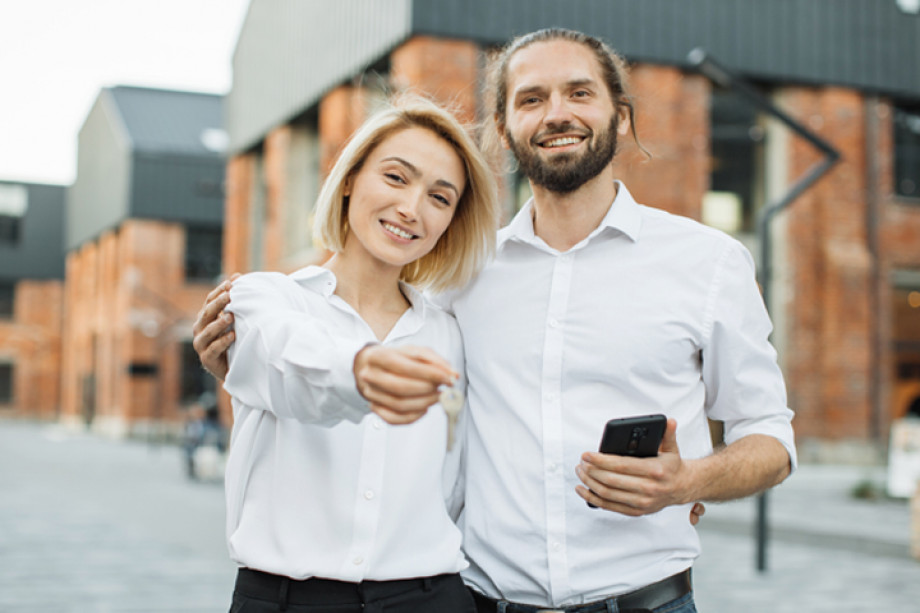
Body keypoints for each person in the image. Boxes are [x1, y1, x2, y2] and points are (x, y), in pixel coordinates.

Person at [195, 28, 795, 613]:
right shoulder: (463, 285)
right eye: (532, 99)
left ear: (624, 117)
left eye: (580, 93)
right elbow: (294, 358)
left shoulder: (708, 262)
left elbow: (769, 434)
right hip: (482, 598)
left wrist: (688, 482)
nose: (557, 113)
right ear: (506, 132)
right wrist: (308, 368)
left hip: (646, 597)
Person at [215, 93, 499, 613]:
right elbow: (288, 361)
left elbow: (460, 476)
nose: (411, 209)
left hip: (430, 596)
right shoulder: (264, 298)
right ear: (349, 181)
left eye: (440, 198)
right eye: (395, 177)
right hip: (286, 598)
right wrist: (364, 369)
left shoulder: (452, 336)